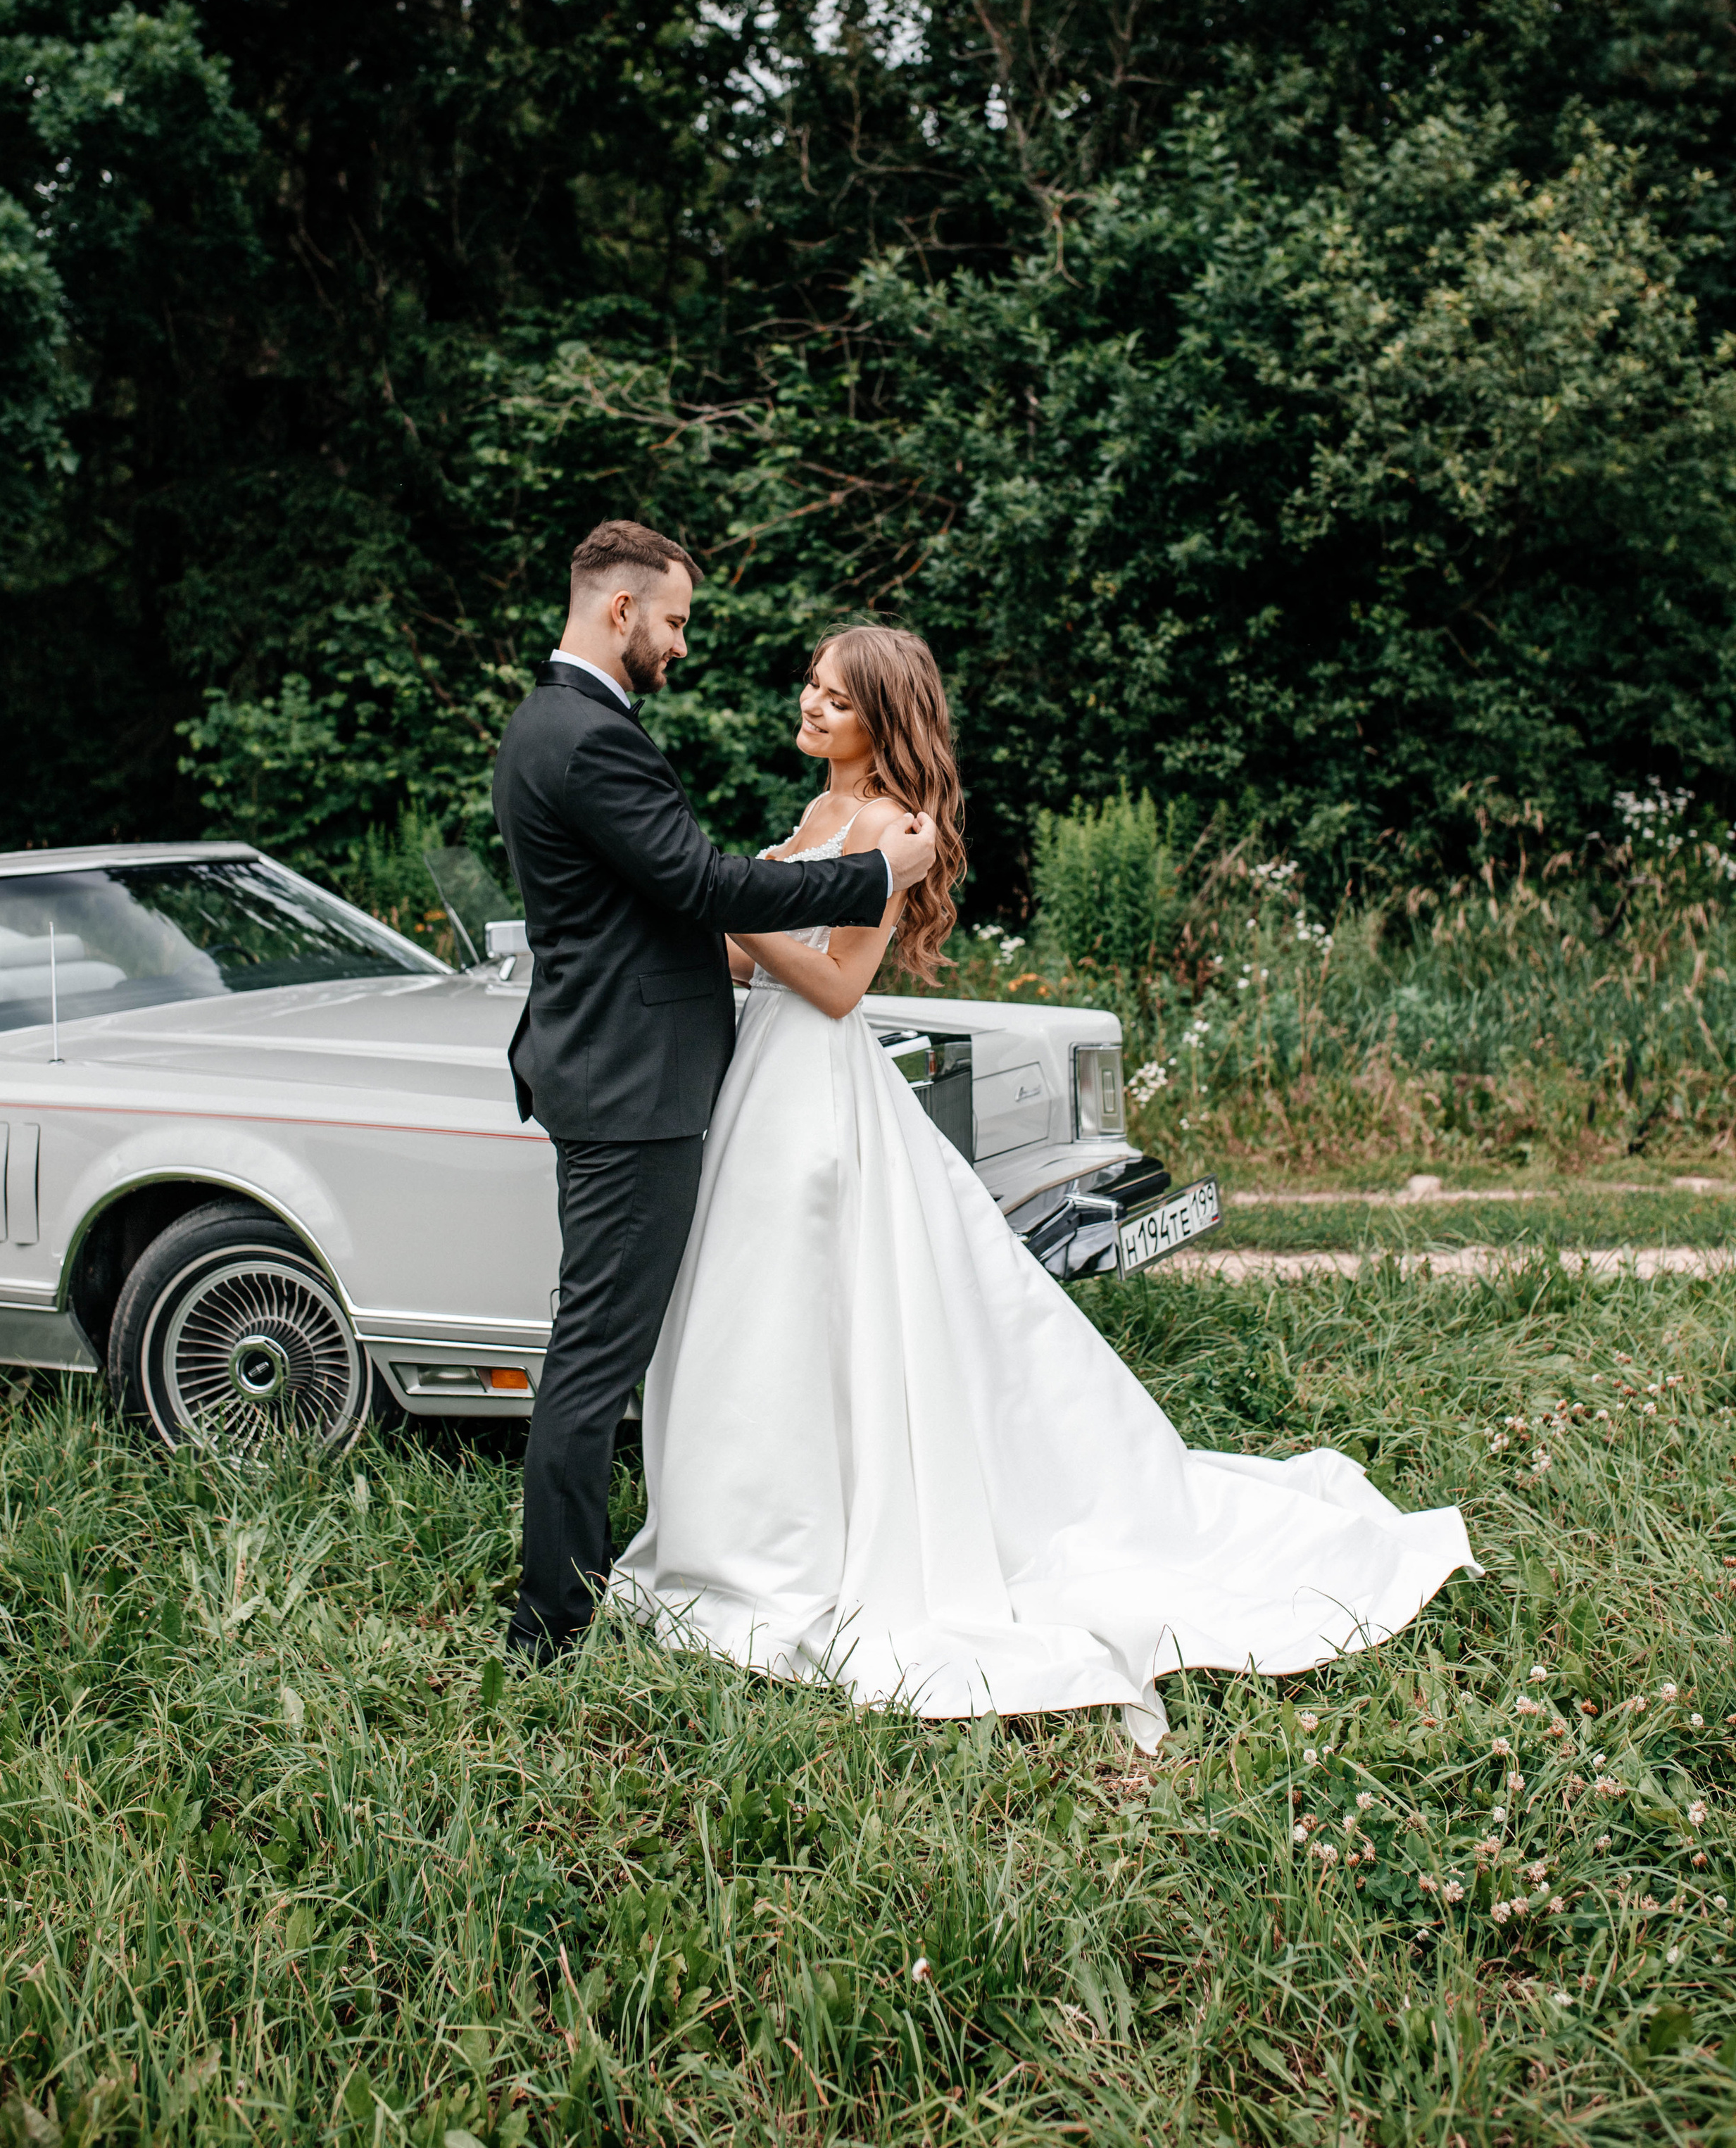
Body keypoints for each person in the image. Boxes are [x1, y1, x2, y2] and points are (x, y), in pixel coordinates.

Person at [610, 623, 1476, 1745]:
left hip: (818, 1089)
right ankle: (752, 1525)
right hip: (759, 1081)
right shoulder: (821, 813)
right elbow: (753, 959)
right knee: (761, 1312)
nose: (812, 706)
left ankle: (822, 1537)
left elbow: (838, 985)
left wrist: (731, 902)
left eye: (837, 698)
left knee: (821, 1300)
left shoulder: (893, 826)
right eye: (812, 688)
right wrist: (689, 925)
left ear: (885, 718)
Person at [492, 522, 938, 1662]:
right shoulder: (591, 737)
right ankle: (552, 1622)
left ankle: (683, 1553)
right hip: (633, 1084)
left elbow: (677, 911)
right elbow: (693, 883)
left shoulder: (548, 722)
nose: (683, 645)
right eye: (677, 621)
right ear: (623, 611)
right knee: (600, 1350)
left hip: (643, 1071)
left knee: (663, 1333)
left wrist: (786, 900)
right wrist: (872, 874)